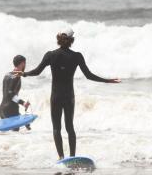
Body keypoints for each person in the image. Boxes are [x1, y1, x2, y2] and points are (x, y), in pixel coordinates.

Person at [20, 27, 120, 160]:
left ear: (58, 39)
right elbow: (89, 75)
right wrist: (107, 81)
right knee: (69, 127)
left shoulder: (50, 55)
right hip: (69, 96)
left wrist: (24, 74)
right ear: (71, 40)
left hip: (55, 96)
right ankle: (72, 157)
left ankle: (61, 157)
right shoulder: (77, 56)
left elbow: (37, 71)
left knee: (56, 128)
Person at [0, 55, 31, 131]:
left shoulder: (7, 75)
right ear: (22, 64)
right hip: (11, 109)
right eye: (24, 63)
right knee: (15, 134)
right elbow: (10, 94)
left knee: (7, 136)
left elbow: (7, 93)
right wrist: (23, 103)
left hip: (2, 109)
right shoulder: (17, 76)